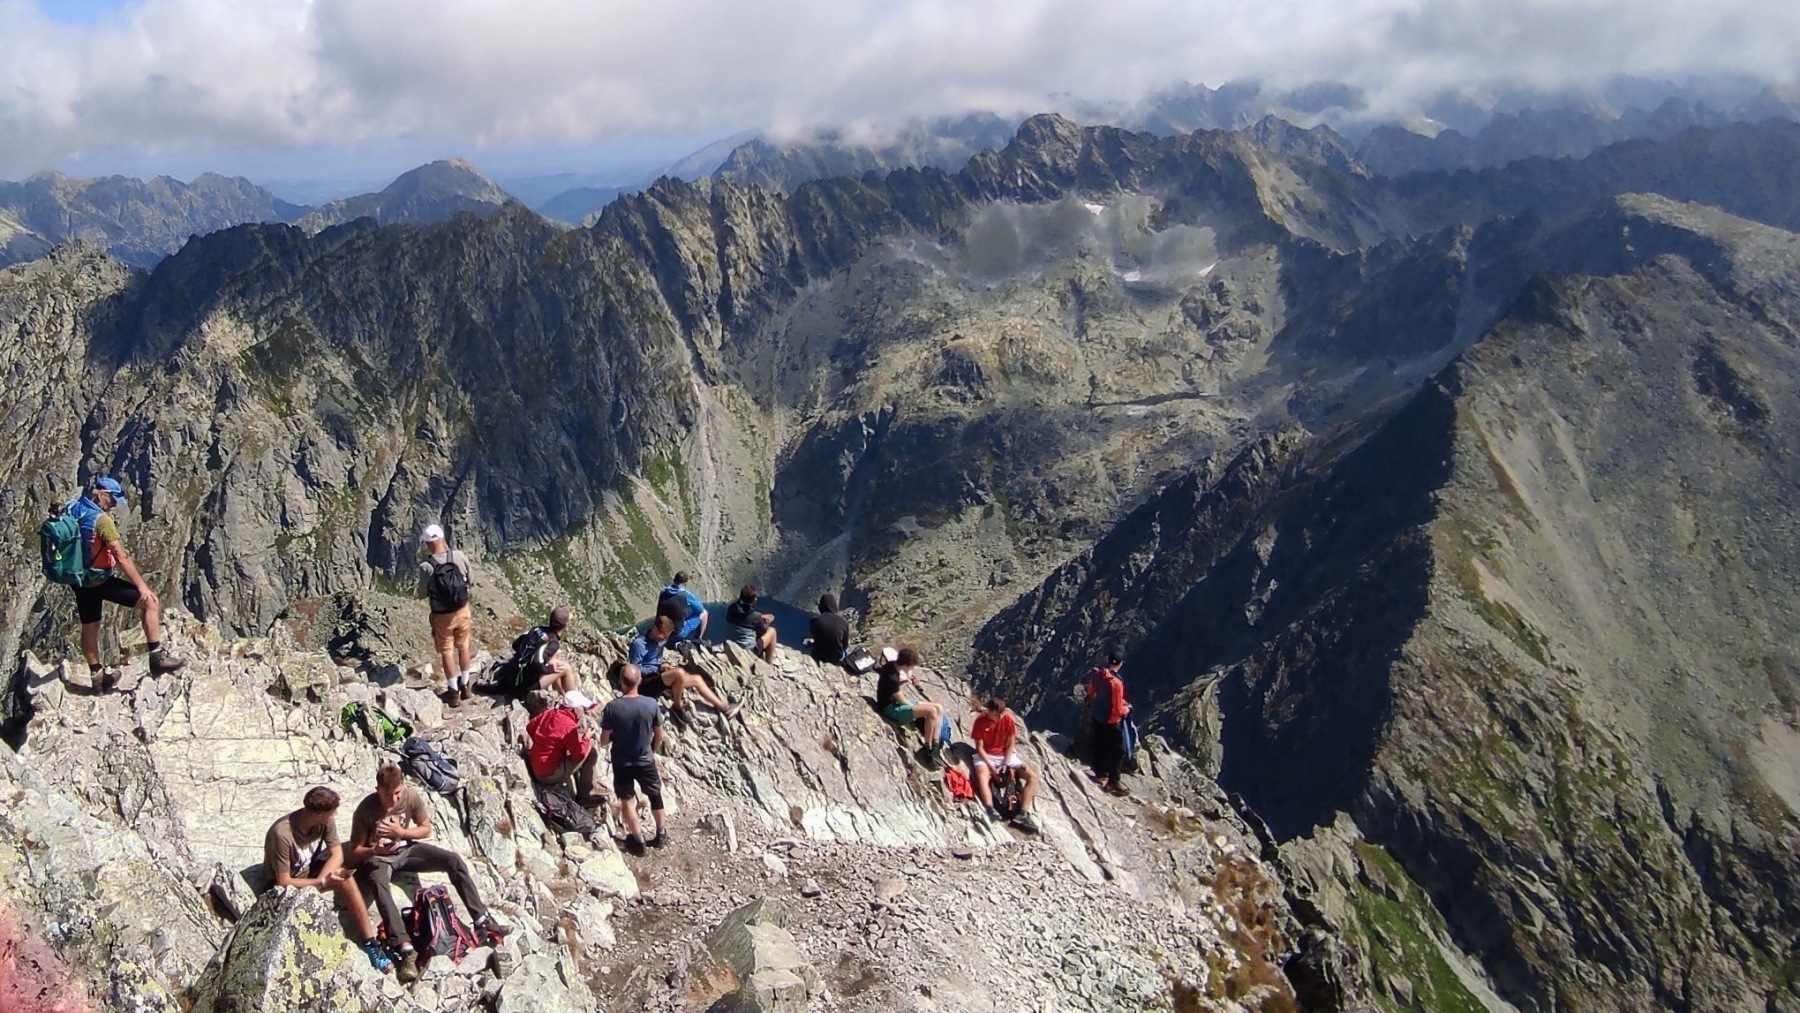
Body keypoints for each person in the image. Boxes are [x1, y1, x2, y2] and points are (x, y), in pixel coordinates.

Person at [347, 764, 510, 983]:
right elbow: (355, 851)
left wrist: (402, 832)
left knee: (453, 860)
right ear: (378, 790)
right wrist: (375, 850)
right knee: (379, 883)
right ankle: (405, 949)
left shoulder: (411, 797)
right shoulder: (365, 810)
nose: (394, 800)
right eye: (388, 795)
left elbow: (425, 828)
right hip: (380, 858)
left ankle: (482, 919)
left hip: (407, 851)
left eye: (397, 793)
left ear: (403, 786)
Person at [66, 476, 186, 689]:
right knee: (150, 603)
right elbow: (121, 556)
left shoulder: (73, 509)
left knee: (90, 625)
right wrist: (142, 587)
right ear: (101, 494)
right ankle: (157, 659)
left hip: (79, 580)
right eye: (112, 499)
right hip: (100, 580)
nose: (113, 504)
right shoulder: (102, 521)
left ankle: (98, 677)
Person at [261, 787, 391, 972]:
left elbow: (337, 854)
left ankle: (370, 943)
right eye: (332, 813)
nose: (334, 816)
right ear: (318, 814)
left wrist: (325, 880)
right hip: (282, 886)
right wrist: (321, 884)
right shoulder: (281, 834)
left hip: (309, 873)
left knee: (345, 877)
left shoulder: (325, 821)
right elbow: (283, 881)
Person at [601, 664, 667, 855]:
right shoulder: (651, 704)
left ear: (621, 682)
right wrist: (651, 751)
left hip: (622, 762)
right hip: (645, 759)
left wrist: (615, 736)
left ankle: (638, 841)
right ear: (640, 680)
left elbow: (604, 740)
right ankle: (661, 833)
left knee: (627, 800)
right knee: (655, 795)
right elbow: (659, 735)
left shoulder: (612, 707)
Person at [629, 615, 741, 718]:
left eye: (667, 636)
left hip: (659, 676)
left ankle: (725, 708)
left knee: (696, 679)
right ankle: (677, 707)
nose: (664, 638)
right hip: (645, 684)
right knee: (679, 673)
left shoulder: (661, 640)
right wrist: (658, 668)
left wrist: (663, 665)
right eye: (663, 635)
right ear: (655, 628)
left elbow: (656, 659)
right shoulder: (639, 644)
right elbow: (635, 670)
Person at [416, 524, 474, 706]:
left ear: (427, 544)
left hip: (442, 616)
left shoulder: (426, 567)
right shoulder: (459, 556)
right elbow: (470, 580)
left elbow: (421, 593)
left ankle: (453, 692)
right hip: (462, 610)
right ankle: (466, 686)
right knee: (464, 647)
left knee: (447, 652)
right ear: (443, 538)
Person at [969, 696, 1040, 832]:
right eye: (997, 715)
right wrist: (992, 768)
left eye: (1001, 714)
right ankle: (990, 808)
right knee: (982, 775)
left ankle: (1023, 813)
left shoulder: (1008, 720)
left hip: (1005, 755)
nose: (1000, 717)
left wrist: (1006, 765)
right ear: (989, 711)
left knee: (1032, 777)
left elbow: (1010, 745)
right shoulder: (980, 722)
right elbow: (980, 748)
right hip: (987, 755)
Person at [526, 689, 604, 805]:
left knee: (576, 747)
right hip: (548, 775)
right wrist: (586, 738)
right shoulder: (568, 726)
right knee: (591, 752)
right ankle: (586, 794)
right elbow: (580, 754)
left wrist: (543, 744)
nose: (584, 711)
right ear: (576, 709)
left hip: (536, 764)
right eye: (582, 708)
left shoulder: (550, 712)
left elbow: (530, 727)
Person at [874, 646, 946, 765]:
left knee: (939, 707)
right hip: (890, 708)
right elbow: (903, 701)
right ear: (906, 665)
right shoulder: (891, 677)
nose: (913, 668)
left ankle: (935, 744)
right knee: (932, 712)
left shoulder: (892, 666)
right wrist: (918, 709)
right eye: (912, 666)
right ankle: (927, 748)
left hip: (895, 702)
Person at [1085, 652, 1131, 797]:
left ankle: (1100, 774)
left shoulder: (1099, 674)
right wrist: (1127, 709)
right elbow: (1117, 710)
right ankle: (1113, 782)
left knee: (1100, 745)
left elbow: (1091, 692)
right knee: (1118, 751)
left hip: (1097, 716)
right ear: (1120, 664)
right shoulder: (1117, 683)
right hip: (1110, 721)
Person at [524, 605, 580, 694]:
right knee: (566, 668)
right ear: (566, 626)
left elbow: (516, 644)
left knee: (554, 662)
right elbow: (536, 661)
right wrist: (548, 669)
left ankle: (563, 693)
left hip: (516, 672)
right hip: (525, 683)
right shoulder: (553, 643)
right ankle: (573, 699)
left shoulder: (537, 629)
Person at [724, 584, 777, 663]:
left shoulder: (731, 608)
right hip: (749, 652)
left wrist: (760, 617)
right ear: (754, 600)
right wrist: (766, 621)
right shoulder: (755, 616)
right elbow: (763, 630)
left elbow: (744, 618)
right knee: (772, 631)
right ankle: (769, 663)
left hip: (732, 647)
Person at [657, 570, 708, 643]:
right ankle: (699, 638)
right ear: (686, 583)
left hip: (661, 630)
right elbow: (700, 609)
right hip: (677, 634)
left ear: (674, 580)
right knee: (704, 613)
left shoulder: (663, 592)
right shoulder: (686, 595)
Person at [808, 593, 850, 666]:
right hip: (836, 658)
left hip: (819, 656)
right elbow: (845, 645)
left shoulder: (815, 620)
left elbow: (817, 638)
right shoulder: (844, 622)